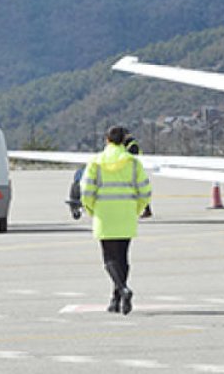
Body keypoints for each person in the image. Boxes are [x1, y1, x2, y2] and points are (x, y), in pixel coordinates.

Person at [80, 125, 152, 314]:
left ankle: (122, 289)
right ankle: (116, 299)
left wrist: (90, 208)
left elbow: (86, 189)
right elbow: (145, 190)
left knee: (109, 258)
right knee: (123, 257)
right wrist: (137, 208)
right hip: (126, 213)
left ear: (107, 140)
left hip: (104, 214)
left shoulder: (96, 162)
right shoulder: (133, 163)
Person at [124, 133, 153, 219]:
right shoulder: (127, 146)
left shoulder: (132, 146)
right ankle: (146, 210)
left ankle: (146, 210)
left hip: (134, 172)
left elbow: (132, 158)